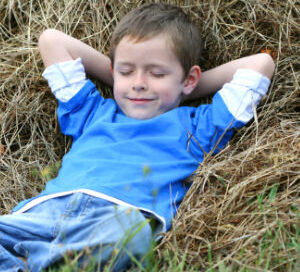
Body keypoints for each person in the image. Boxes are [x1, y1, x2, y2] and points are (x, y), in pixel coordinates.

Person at [0, 3, 275, 272]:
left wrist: (181, 90)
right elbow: (52, 40)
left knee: (133, 238)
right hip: (44, 214)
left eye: (157, 73)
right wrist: (127, 79)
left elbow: (260, 64)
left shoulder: (198, 127)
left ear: (190, 79)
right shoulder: (93, 112)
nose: (139, 82)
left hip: (116, 221)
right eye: (126, 71)